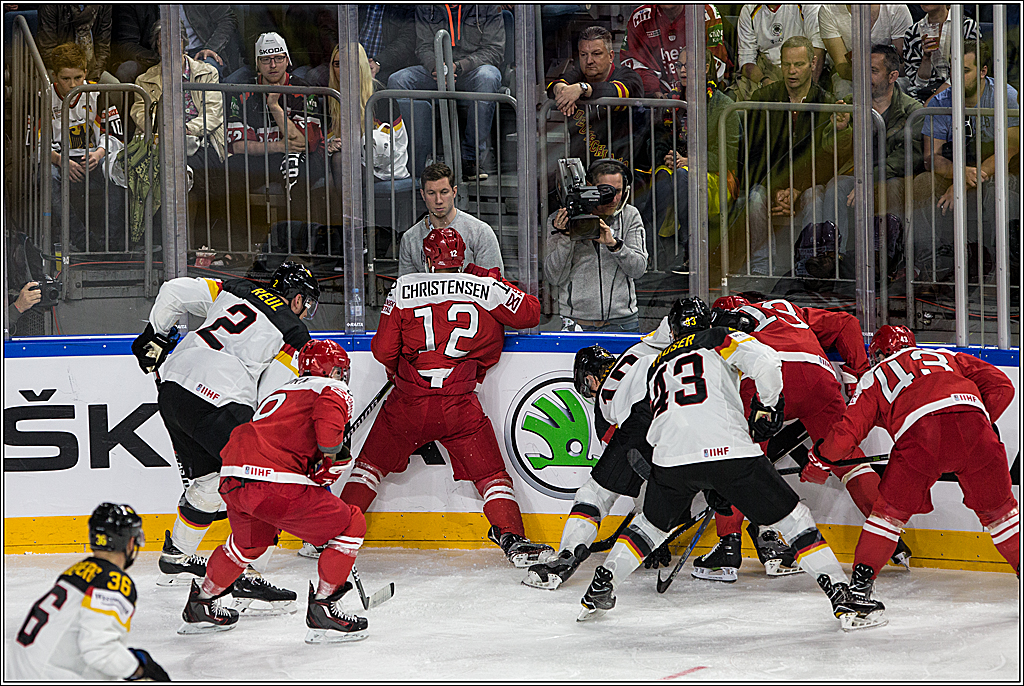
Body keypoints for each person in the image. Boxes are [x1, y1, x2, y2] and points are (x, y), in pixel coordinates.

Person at [577, 297, 887, 632]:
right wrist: (769, 407)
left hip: (671, 459)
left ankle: (601, 585)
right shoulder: (719, 337)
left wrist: (677, 474)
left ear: (673, 330)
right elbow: (767, 362)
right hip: (730, 451)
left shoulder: (656, 364)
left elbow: (648, 422)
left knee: (649, 527)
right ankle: (842, 596)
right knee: (794, 519)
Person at [341, 227, 555, 568]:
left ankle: (333, 536)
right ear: (464, 256)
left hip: (408, 402)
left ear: (427, 258)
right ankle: (513, 539)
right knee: (492, 476)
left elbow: (383, 350)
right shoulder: (483, 285)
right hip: (459, 404)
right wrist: (491, 279)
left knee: (368, 468)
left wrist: (398, 370)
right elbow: (531, 311)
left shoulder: (404, 287)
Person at [131, 261, 319, 613]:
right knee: (266, 481)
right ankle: (247, 576)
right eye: (307, 304)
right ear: (297, 299)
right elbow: (269, 399)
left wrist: (155, 334)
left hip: (174, 387)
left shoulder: (235, 288)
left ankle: (177, 556)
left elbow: (173, 290)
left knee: (208, 481)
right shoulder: (294, 333)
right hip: (219, 398)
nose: (306, 312)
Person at [696, 294, 911, 582]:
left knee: (739, 461)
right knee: (848, 459)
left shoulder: (725, 325)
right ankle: (887, 532)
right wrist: (858, 373)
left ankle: (728, 546)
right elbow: (847, 323)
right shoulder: (787, 308)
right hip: (817, 374)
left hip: (767, 376)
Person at [180, 340, 370, 643]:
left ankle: (201, 604)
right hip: (273, 482)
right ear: (329, 370)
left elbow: (280, 439)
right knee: (351, 524)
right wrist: (332, 458)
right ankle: (324, 609)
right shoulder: (332, 389)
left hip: (233, 478)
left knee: (248, 545)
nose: (342, 375)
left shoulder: (282, 391)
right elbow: (328, 438)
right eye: (339, 369)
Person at [812, 325, 1018, 603]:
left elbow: (846, 435)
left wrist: (820, 460)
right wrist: (981, 420)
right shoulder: (947, 356)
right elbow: (1002, 386)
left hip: (920, 436)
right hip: (975, 427)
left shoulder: (875, 374)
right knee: (1002, 515)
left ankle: (859, 591)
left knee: (887, 517)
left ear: (881, 353)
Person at [523, 325, 673, 590]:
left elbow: (634, 469)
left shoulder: (605, 404)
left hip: (646, 430)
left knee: (594, 493)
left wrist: (647, 514)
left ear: (591, 380)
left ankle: (568, 555)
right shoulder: (641, 352)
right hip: (693, 425)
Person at [5, 503, 169, 681]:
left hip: (15, 669)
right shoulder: (113, 581)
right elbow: (100, 650)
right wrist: (139, 669)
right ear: (130, 542)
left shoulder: (75, 571)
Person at [797, 44, 924, 267]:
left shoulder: (912, 111)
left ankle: (888, 259)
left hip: (890, 177)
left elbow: (906, 158)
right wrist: (841, 130)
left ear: (893, 76)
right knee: (836, 186)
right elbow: (830, 151)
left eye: (873, 71)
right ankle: (833, 258)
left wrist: (869, 179)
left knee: (891, 187)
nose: (865, 77)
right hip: (856, 176)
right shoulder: (849, 104)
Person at [912, 40, 1020, 285]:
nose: (957, 77)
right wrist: (960, 174)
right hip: (956, 169)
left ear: (983, 71)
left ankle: (1005, 267)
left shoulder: (1006, 96)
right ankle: (931, 264)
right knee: (922, 183)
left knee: (1001, 189)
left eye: (965, 71)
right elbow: (931, 158)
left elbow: (1010, 150)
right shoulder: (940, 102)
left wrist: (965, 180)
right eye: (954, 70)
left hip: (996, 169)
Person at [635, 48, 739, 270]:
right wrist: (667, 156)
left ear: (706, 68)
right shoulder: (672, 102)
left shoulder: (724, 105)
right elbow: (656, 141)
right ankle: (648, 251)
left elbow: (729, 156)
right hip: (676, 168)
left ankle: (691, 252)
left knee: (683, 175)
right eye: (680, 65)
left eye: (689, 66)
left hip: (715, 175)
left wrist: (692, 161)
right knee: (662, 177)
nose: (683, 70)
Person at [735, 36, 831, 276]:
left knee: (815, 197)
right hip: (771, 182)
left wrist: (797, 188)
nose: (791, 71)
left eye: (799, 64)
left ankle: (809, 266)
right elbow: (753, 153)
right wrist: (776, 189)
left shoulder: (825, 102)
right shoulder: (762, 98)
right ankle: (761, 268)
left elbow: (824, 159)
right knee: (755, 197)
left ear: (813, 63)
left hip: (806, 184)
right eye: (786, 64)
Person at [130, 20, 225, 248]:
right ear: (157, 47)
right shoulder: (145, 80)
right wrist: (164, 128)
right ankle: (159, 244)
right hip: (161, 141)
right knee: (153, 169)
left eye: (174, 40)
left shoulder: (207, 73)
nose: (169, 47)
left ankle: (197, 246)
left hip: (201, 139)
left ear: (184, 43)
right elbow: (140, 113)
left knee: (195, 172)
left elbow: (213, 114)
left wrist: (187, 129)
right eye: (163, 42)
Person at [224, 32, 327, 235]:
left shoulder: (303, 89)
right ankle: (240, 244)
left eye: (278, 58)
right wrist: (278, 146)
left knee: (294, 167)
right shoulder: (242, 92)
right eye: (266, 59)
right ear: (257, 63)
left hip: (307, 157)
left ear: (287, 61)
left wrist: (274, 106)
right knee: (229, 170)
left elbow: (302, 143)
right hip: (267, 155)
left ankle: (297, 242)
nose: (273, 65)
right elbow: (237, 145)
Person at [388, 4, 505, 181]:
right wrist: (435, 66)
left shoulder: (487, 6)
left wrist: (459, 66)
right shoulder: (426, 7)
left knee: (488, 77)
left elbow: (494, 50)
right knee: (399, 80)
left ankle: (472, 158)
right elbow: (423, 46)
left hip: (472, 69)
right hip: (437, 69)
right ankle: (414, 159)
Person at [544, 158, 649, 333]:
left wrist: (614, 245)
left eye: (618, 191)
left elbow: (638, 269)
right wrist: (566, 239)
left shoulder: (630, 216)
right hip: (577, 322)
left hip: (623, 322)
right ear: (589, 187)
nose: (613, 199)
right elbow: (554, 277)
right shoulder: (561, 220)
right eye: (605, 191)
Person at [46, 42, 126, 253]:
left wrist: (99, 153)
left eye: (78, 78)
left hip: (93, 158)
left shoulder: (98, 93)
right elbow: (34, 145)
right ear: (55, 76)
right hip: (59, 160)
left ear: (85, 73)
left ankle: (112, 244)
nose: (73, 85)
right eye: (65, 79)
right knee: (48, 175)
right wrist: (59, 160)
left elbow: (116, 135)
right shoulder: (43, 96)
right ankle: (83, 240)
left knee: (117, 169)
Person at [547, 26, 645, 167]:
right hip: (584, 168)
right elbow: (554, 86)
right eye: (583, 55)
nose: (589, 61)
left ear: (611, 56)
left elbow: (617, 91)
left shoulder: (628, 76)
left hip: (622, 167)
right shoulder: (578, 75)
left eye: (596, 54)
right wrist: (560, 89)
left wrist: (583, 89)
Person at [397, 162, 502, 276]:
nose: (438, 200)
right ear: (423, 195)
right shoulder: (410, 238)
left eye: (444, 192)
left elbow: (493, 283)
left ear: (454, 192)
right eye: (431, 193)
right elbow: (407, 284)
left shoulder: (480, 232)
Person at [620, 4, 733, 98]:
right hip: (658, 100)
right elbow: (634, 64)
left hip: (702, 96)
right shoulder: (640, 17)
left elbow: (715, 64)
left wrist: (682, 94)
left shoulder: (706, 12)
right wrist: (655, 92)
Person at [732, 4, 827, 101]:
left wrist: (810, 89)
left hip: (802, 69)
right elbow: (746, 60)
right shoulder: (748, 9)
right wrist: (765, 81)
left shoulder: (808, 5)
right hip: (766, 69)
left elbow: (818, 47)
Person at [818, 4, 913, 99]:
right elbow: (841, 66)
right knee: (843, 88)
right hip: (851, 76)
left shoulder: (897, 8)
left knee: (898, 88)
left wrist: (879, 77)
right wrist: (867, 77)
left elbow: (901, 63)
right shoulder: (828, 10)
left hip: (890, 75)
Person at [901, 5, 979, 102]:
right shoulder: (912, 33)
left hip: (960, 91)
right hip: (924, 95)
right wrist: (926, 58)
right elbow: (917, 84)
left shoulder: (967, 26)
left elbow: (969, 71)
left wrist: (934, 101)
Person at [37, 4, 116, 83]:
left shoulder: (104, 5)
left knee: (114, 84)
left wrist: (93, 77)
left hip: (91, 69)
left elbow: (103, 48)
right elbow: (47, 49)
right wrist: (73, 73)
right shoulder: (50, 5)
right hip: (60, 68)